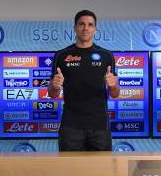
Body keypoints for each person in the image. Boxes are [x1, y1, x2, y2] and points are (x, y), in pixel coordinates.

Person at [49, 10, 119, 151]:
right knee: (70, 171)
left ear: (95, 29)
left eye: (90, 24)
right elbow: (52, 94)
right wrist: (55, 86)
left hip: (100, 127)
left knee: (102, 172)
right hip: (70, 127)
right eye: (81, 24)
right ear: (75, 28)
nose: (86, 28)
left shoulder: (106, 56)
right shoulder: (61, 55)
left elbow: (115, 94)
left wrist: (113, 85)